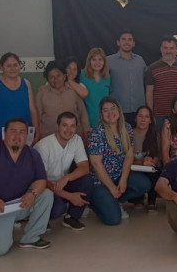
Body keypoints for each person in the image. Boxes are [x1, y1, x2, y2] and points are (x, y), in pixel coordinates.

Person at [0, 118, 53, 256]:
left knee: (46, 195)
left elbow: (41, 180)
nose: (17, 136)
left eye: (22, 132)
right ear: (4, 133)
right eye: (13, 131)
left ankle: (31, 238)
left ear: (27, 136)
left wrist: (32, 194)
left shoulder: (32, 154)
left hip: (15, 206)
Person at [88, 97, 152, 225]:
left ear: (119, 110)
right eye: (105, 110)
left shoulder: (127, 128)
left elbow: (129, 156)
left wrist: (123, 179)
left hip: (118, 174)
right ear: (101, 114)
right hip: (100, 181)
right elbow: (96, 163)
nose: (110, 113)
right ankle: (95, 203)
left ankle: (115, 200)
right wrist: (111, 187)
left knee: (144, 184)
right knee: (113, 220)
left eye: (113, 109)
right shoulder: (97, 133)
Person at [34, 111, 93, 231]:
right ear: (57, 126)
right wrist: (70, 196)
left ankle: (72, 217)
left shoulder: (76, 140)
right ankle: (40, 218)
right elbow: (42, 181)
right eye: (64, 125)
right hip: (43, 188)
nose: (68, 130)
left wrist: (67, 178)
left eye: (72, 126)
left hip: (62, 182)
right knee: (58, 209)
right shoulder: (43, 146)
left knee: (87, 180)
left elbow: (84, 167)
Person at [145, 35, 177, 128]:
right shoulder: (152, 68)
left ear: (176, 49)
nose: (168, 51)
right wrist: (150, 114)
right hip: (159, 116)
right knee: (161, 142)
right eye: (165, 48)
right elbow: (149, 93)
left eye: (171, 48)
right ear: (161, 49)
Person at [36, 60, 90, 143]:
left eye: (58, 75)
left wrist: (86, 131)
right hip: (49, 138)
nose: (55, 79)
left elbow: (82, 112)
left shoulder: (73, 91)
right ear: (48, 79)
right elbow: (37, 116)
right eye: (51, 77)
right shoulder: (42, 93)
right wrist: (37, 134)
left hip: (73, 137)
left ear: (64, 76)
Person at [0, 52, 39, 140]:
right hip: (2, 135)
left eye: (15, 65)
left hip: (24, 134)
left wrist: (37, 131)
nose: (12, 68)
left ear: (20, 66)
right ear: (1, 67)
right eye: (8, 66)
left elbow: (32, 110)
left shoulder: (26, 83)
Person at [108, 30, 148, 126]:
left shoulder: (140, 60)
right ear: (118, 42)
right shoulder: (108, 61)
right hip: (117, 110)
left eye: (130, 40)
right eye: (124, 39)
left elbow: (146, 81)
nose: (127, 42)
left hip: (138, 111)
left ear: (133, 43)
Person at [132, 106, 161, 209]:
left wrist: (151, 161)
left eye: (146, 117)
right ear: (135, 118)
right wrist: (142, 162)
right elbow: (126, 159)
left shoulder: (155, 135)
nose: (143, 120)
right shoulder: (128, 134)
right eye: (140, 116)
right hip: (134, 167)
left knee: (154, 172)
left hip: (150, 167)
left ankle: (151, 201)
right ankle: (138, 199)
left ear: (150, 120)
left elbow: (157, 156)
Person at [79, 47, 112, 128]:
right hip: (87, 122)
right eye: (94, 59)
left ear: (104, 61)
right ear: (89, 61)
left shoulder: (107, 77)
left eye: (100, 59)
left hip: (105, 122)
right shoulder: (81, 75)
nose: (97, 62)